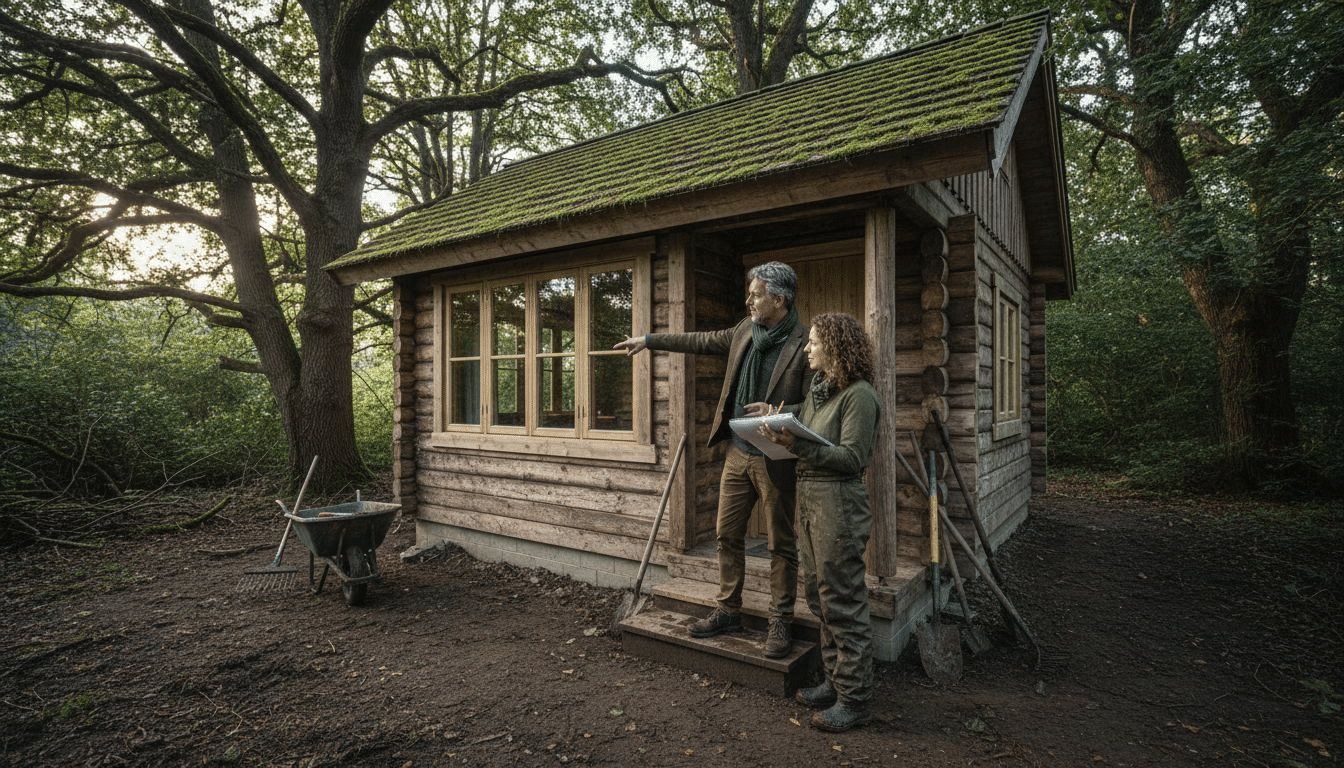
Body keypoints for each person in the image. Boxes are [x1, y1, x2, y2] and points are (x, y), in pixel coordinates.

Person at [614, 261, 811, 659]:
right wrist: (650, 340)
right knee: (726, 535)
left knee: (781, 544)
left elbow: (816, 405)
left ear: (780, 298)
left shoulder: (804, 344)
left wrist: (776, 410)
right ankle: (728, 609)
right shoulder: (743, 330)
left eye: (755, 294)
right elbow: (702, 340)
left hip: (776, 458)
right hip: (738, 453)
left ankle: (780, 620)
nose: (748, 300)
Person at [757, 312, 880, 733]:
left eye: (812, 342)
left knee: (842, 599)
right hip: (810, 498)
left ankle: (856, 699)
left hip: (839, 502)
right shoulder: (819, 391)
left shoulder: (859, 395)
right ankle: (834, 682)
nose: (806, 349)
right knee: (818, 595)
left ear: (835, 345)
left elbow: (852, 458)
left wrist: (798, 446)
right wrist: (775, 417)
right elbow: (807, 422)